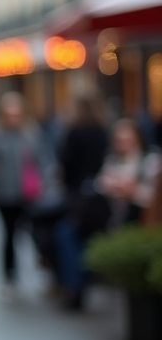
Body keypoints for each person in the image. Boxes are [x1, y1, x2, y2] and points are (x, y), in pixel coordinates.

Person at [0, 91, 55, 299]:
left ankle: (43, 270)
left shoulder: (31, 133)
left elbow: (43, 159)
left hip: (28, 192)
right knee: (8, 234)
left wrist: (45, 181)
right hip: (2, 192)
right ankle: (9, 276)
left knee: (34, 232)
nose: (13, 117)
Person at [53, 96, 109, 310]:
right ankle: (85, 281)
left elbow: (66, 164)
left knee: (67, 235)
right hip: (99, 197)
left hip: (78, 196)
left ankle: (75, 286)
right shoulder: (103, 131)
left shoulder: (74, 132)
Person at [95, 118, 161, 229]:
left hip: (140, 221)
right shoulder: (111, 160)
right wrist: (110, 186)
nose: (123, 144)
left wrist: (134, 191)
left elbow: (156, 198)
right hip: (113, 219)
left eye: (127, 140)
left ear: (137, 139)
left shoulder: (151, 161)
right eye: (119, 140)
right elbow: (99, 183)